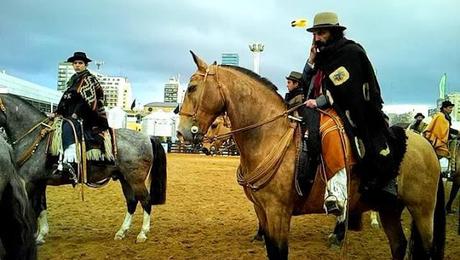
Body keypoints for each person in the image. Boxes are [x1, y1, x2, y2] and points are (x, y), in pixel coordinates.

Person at [300, 12, 395, 216]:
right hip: (317, 109)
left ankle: (337, 192)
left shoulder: (349, 52)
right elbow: (305, 84)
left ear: (334, 32)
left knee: (331, 132)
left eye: (321, 33)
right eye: (315, 33)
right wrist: (310, 61)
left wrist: (319, 101)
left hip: (350, 108)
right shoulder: (322, 56)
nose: (317, 38)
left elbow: (346, 89)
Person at [50, 51, 109, 183]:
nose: (77, 65)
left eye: (80, 63)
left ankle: (71, 161)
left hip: (89, 115)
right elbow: (66, 99)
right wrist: (57, 112)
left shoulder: (88, 79)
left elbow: (88, 100)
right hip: (71, 113)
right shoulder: (73, 80)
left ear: (85, 65)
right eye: (75, 63)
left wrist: (76, 114)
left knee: (67, 127)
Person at [423, 100, 459, 213]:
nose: (451, 109)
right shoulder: (441, 117)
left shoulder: (446, 117)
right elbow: (443, 130)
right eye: (449, 108)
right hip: (438, 138)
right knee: (454, 144)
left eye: (451, 108)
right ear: (444, 108)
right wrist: (457, 133)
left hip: (445, 136)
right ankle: (453, 167)